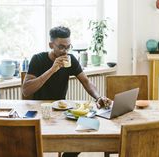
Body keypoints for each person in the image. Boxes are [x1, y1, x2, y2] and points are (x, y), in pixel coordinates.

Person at [22, 26, 111, 157]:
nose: (65, 51)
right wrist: (52, 70)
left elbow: (86, 82)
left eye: (68, 47)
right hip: (41, 112)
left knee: (91, 126)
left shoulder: (71, 59)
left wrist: (98, 97)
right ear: (51, 45)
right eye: (61, 47)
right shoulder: (38, 59)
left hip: (63, 112)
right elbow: (26, 90)